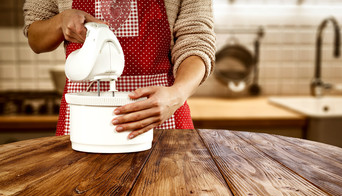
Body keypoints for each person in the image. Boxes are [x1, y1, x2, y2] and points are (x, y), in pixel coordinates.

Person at [23, 0, 215, 139]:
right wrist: (60, 21)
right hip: (85, 118)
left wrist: (176, 94)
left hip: (161, 114)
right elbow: (36, 39)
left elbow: (197, 40)